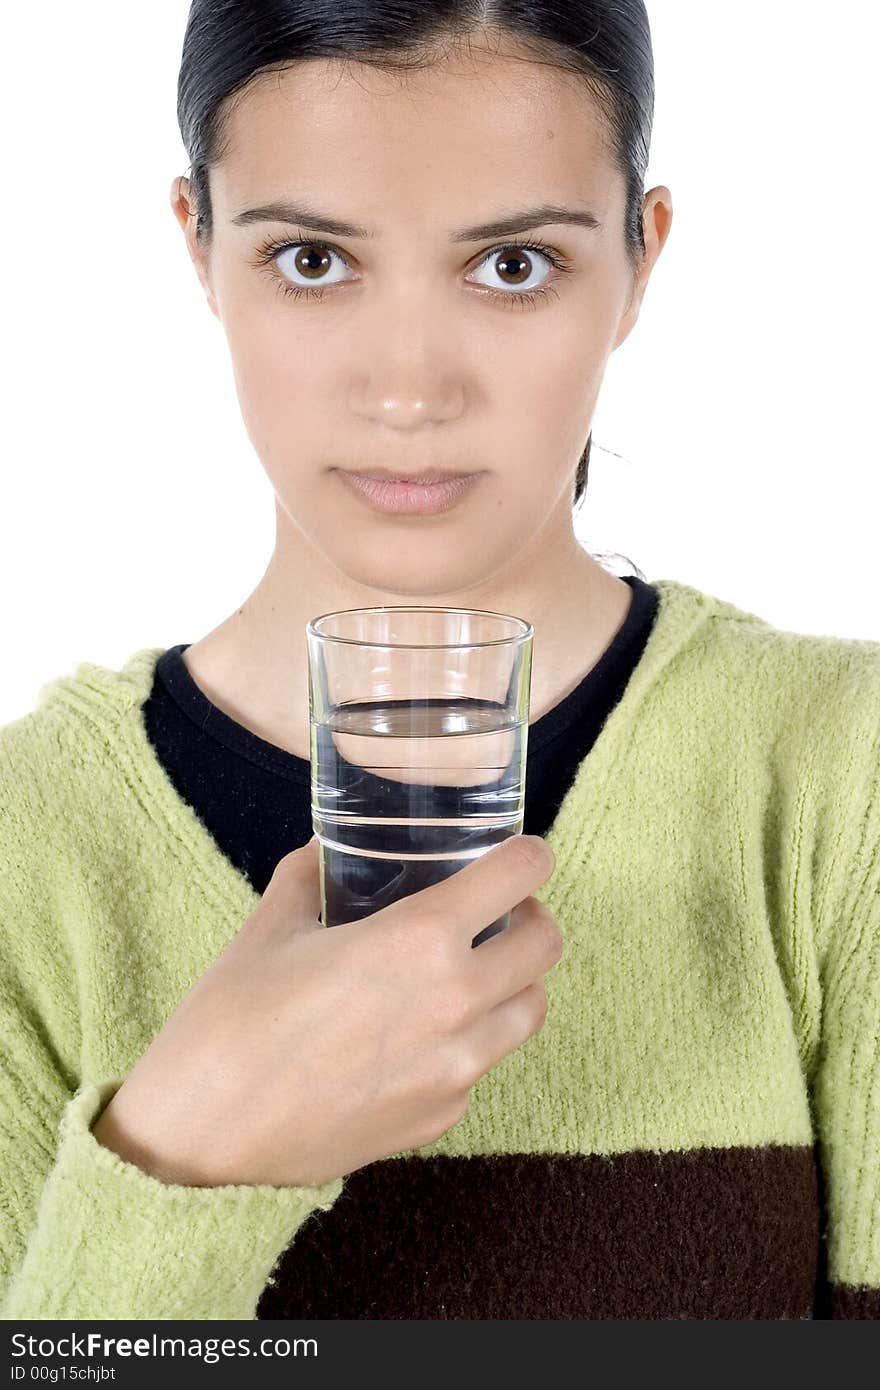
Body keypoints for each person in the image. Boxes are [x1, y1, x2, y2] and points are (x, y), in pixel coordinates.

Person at [1, 0, 878, 1322]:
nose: (409, 387)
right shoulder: (29, 851)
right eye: (310, 260)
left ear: (641, 262)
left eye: (512, 266)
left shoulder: (839, 774)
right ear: (198, 244)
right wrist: (185, 1148)